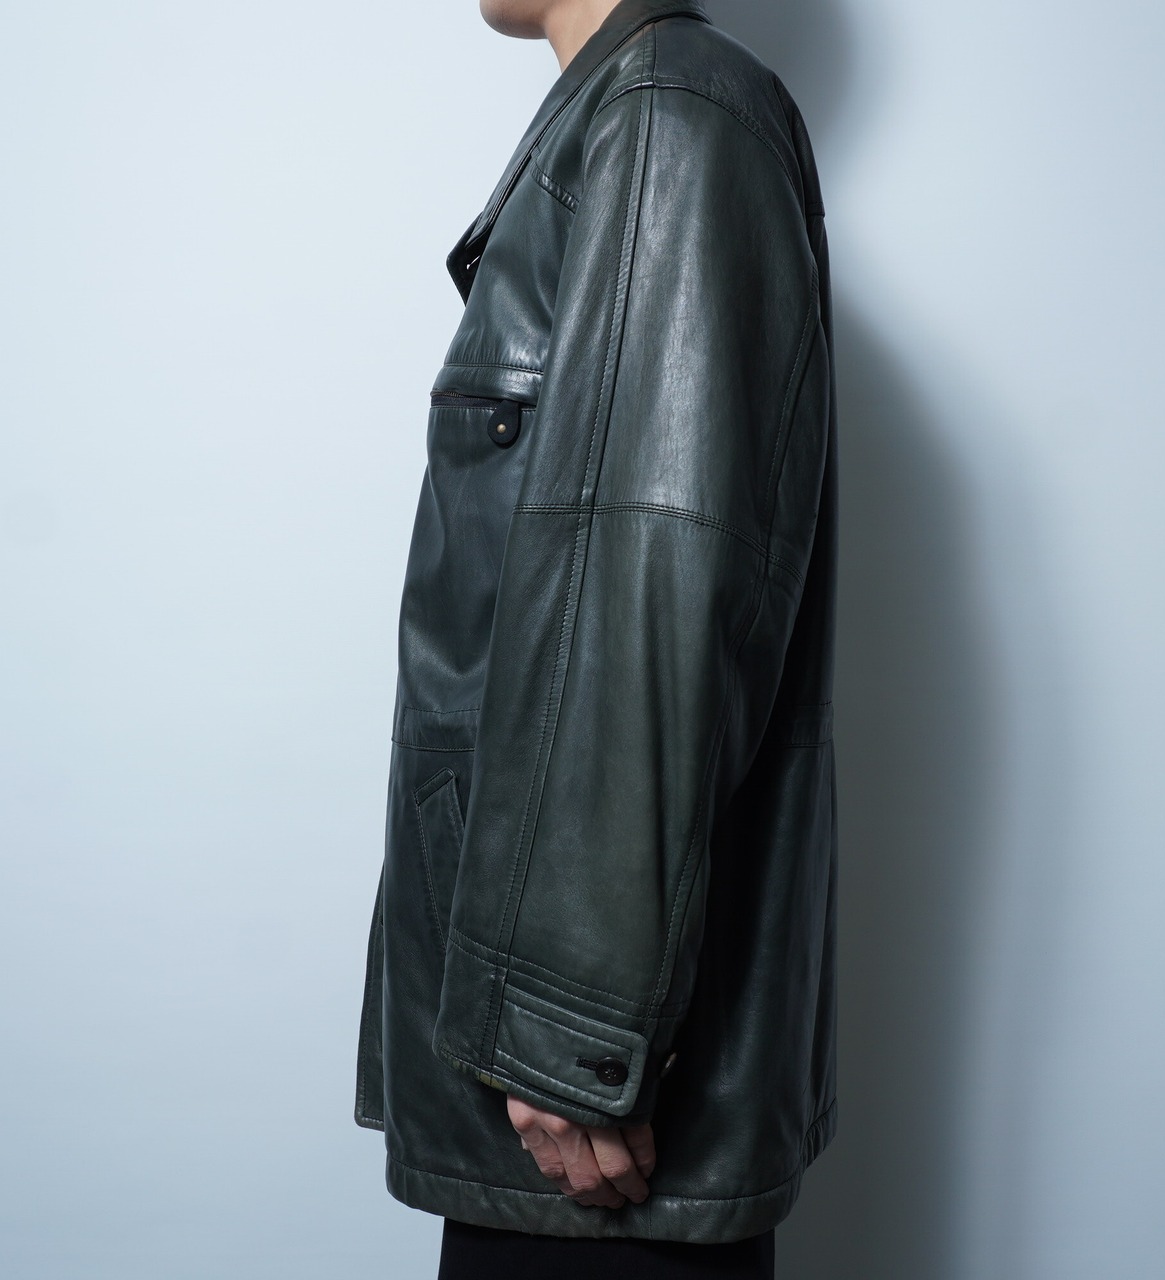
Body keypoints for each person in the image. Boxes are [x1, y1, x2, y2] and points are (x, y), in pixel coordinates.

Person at [353, 0, 840, 1274]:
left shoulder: (668, 113)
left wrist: (566, 1030)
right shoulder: (626, 119)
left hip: (588, 1109)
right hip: (555, 1068)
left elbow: (649, 578)